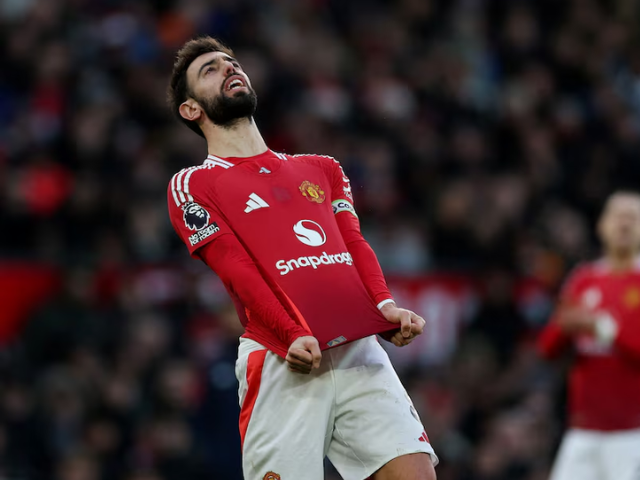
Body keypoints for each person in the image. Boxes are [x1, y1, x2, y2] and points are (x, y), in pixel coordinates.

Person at [165, 37, 438, 480]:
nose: (229, 69)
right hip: (280, 356)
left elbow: (353, 245)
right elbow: (235, 268)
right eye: (210, 70)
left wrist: (384, 307)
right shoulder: (193, 184)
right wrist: (291, 332)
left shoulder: (322, 168)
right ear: (191, 109)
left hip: (357, 351)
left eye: (232, 62)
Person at [538, 191, 640, 480]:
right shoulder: (583, 279)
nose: (624, 225)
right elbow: (546, 348)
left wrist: (599, 327)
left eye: (632, 217)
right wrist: (564, 326)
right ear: (602, 226)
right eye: (618, 217)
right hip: (582, 433)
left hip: (632, 435)